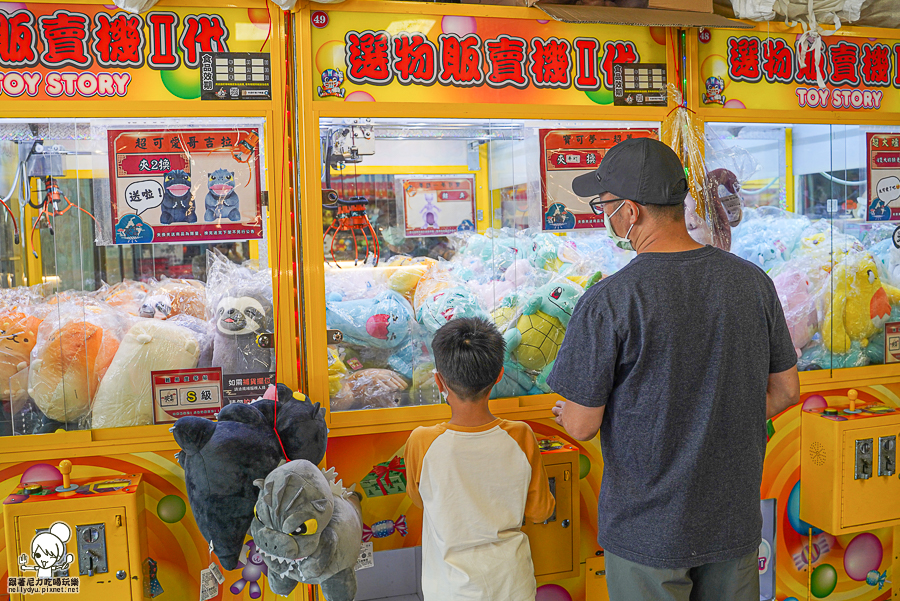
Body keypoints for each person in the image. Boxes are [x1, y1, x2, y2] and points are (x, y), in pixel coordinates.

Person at [547, 137, 800, 601]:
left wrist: (568, 414)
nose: (607, 216)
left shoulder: (611, 300)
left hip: (649, 534)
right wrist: (722, 413)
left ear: (631, 212)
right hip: (733, 523)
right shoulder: (752, 282)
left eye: (606, 205)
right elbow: (785, 390)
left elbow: (583, 424)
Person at [405, 317, 555, 601]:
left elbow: (420, 499)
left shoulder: (421, 441)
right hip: (513, 586)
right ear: (499, 375)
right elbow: (540, 511)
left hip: (449, 590)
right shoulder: (521, 436)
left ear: (439, 381)